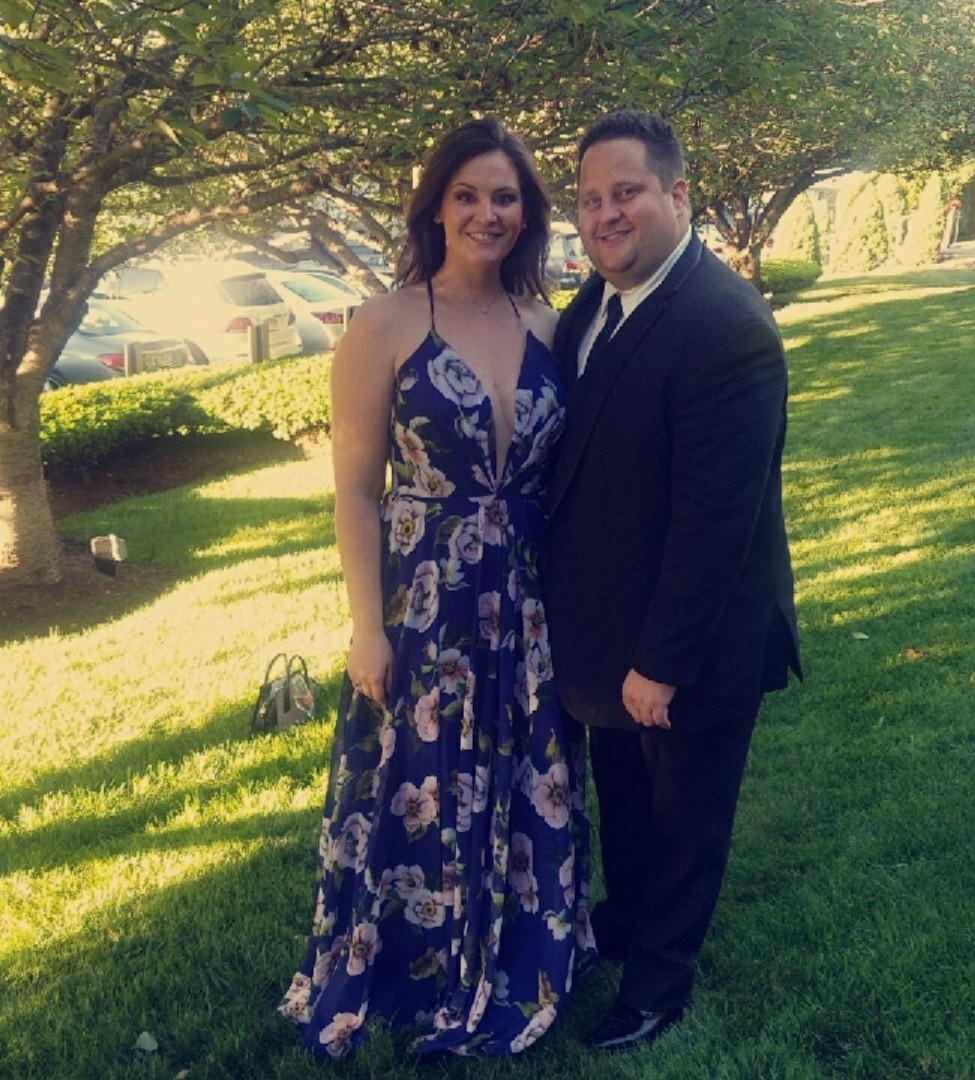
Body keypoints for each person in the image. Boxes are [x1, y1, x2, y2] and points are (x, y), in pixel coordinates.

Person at [278, 117, 596, 1060]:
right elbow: (354, 490)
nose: (486, 213)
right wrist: (364, 628)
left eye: (505, 197)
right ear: (435, 207)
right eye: (467, 195)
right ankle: (414, 961)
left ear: (527, 214)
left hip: (528, 600)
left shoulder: (550, 325)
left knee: (522, 771)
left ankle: (519, 949)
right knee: (416, 777)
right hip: (422, 599)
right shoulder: (383, 324)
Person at [544, 110, 801, 1052]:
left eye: (628, 192)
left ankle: (658, 985)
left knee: (685, 815)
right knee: (627, 798)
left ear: (678, 194)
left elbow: (715, 523)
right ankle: (627, 919)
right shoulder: (596, 306)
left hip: (693, 641)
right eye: (590, 200)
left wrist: (660, 662)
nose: (606, 214)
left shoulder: (725, 327)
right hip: (613, 630)